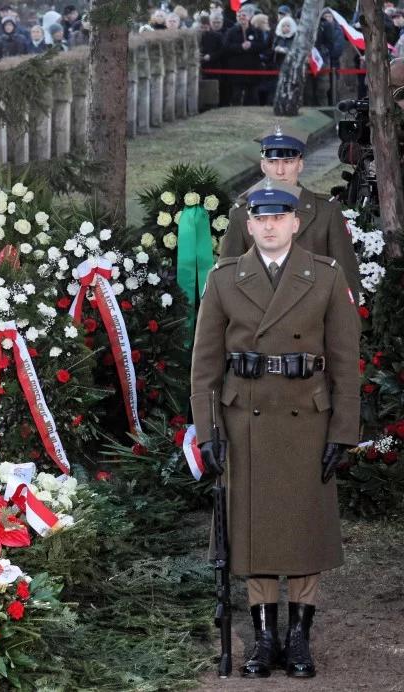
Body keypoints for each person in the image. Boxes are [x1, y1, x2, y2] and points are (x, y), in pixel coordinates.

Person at [190, 181, 359, 679]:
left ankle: (299, 637)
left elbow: (347, 364)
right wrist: (208, 432)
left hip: (307, 420)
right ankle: (264, 638)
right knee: (253, 532)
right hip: (246, 422)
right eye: (260, 220)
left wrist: (342, 433)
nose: (268, 226)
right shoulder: (224, 279)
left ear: (294, 223)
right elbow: (204, 367)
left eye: (278, 218)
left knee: (304, 530)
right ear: (249, 226)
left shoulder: (325, 277)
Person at [220, 126, 361, 300]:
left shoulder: (327, 212)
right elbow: (226, 281)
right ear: (263, 165)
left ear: (300, 164)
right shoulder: (242, 214)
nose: (280, 171)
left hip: (312, 321)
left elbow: (346, 279)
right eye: (273, 162)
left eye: (288, 161)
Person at [224, 9, 268, 105]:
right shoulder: (231, 32)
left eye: (243, 15)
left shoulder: (257, 32)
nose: (241, 17)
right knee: (236, 95)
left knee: (252, 96)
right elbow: (226, 47)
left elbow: (263, 46)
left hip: (252, 69)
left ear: (248, 17)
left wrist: (251, 45)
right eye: (239, 16)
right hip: (236, 70)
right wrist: (240, 47)